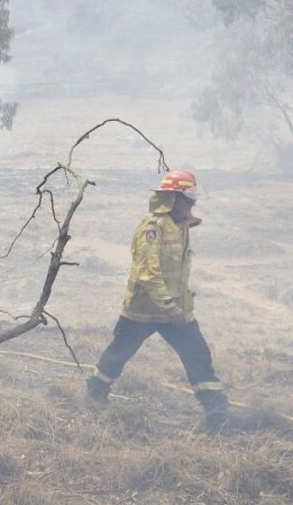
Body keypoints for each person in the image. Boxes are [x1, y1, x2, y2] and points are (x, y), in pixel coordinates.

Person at [86, 170, 228, 431]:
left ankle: (218, 413)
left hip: (175, 312)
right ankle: (95, 393)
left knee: (198, 355)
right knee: (119, 354)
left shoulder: (181, 225)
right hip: (144, 310)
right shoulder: (152, 228)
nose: (193, 204)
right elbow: (148, 272)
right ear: (172, 198)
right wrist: (168, 304)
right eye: (188, 199)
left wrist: (178, 305)